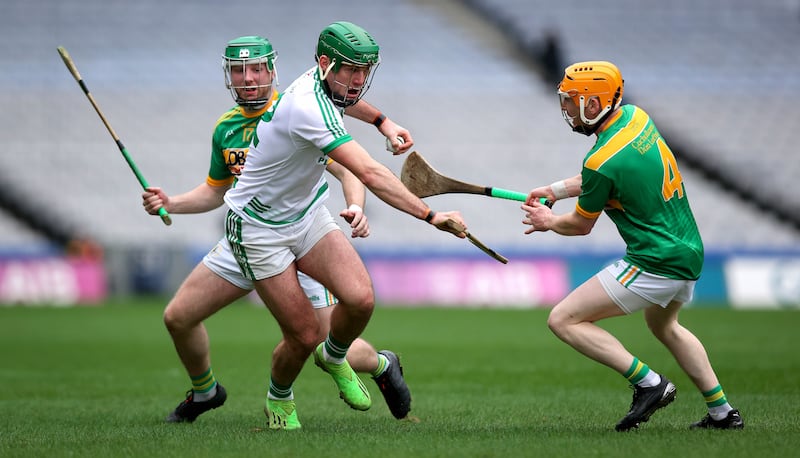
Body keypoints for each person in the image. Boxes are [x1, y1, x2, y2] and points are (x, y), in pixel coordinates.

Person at [142, 35, 415, 425]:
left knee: (319, 341)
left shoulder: (300, 108)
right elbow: (216, 193)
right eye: (239, 70)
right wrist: (171, 203)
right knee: (178, 317)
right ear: (229, 77)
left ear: (272, 72)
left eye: (256, 69)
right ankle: (205, 392)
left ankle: (381, 365)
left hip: (298, 233)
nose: (248, 79)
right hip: (250, 234)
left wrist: (355, 205)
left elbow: (348, 168)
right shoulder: (226, 129)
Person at [521, 61, 744, 431]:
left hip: (655, 260)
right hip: (688, 250)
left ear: (594, 104)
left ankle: (649, 383)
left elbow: (580, 224)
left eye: (571, 100)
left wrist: (548, 222)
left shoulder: (601, 160)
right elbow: (604, 175)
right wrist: (554, 190)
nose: (565, 108)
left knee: (563, 319)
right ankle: (723, 413)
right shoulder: (635, 119)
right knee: (665, 326)